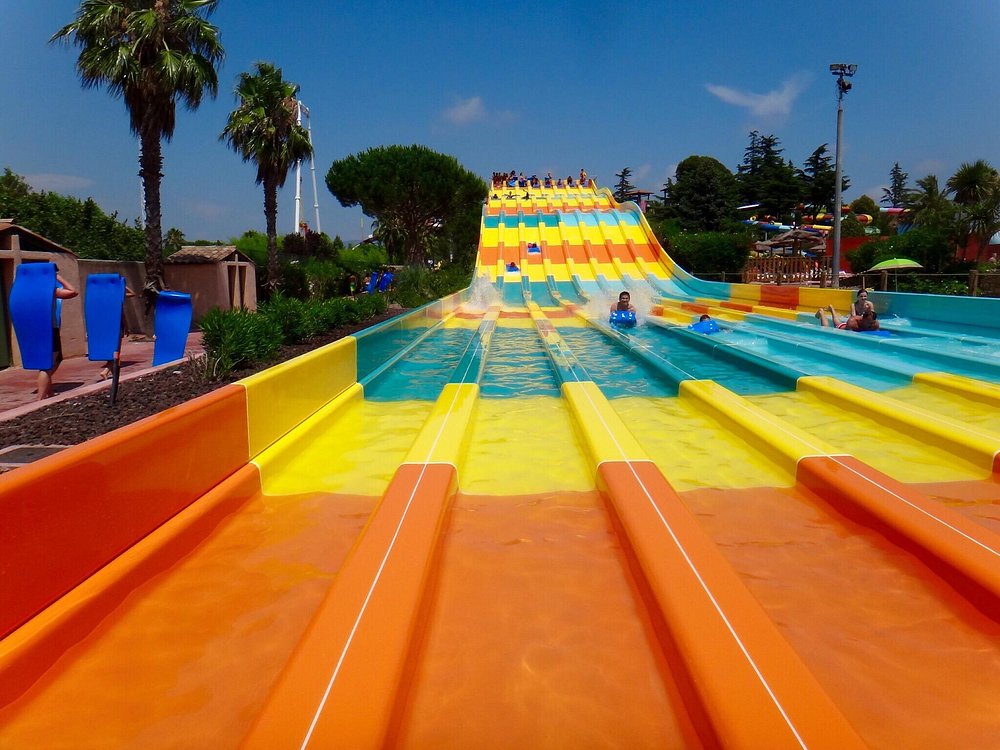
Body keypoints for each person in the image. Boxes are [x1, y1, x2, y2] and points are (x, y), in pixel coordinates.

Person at [38, 272, 79, 400]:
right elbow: (73, 292)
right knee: (50, 363)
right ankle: (41, 397)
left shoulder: (30, 291)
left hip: (36, 329)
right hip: (50, 328)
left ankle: (48, 392)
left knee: (48, 360)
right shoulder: (49, 290)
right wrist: (58, 278)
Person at [98, 283, 136, 381]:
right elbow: (132, 293)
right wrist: (123, 285)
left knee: (112, 350)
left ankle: (113, 373)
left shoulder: (102, 298)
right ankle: (106, 371)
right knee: (116, 351)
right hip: (117, 325)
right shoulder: (117, 296)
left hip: (106, 326)